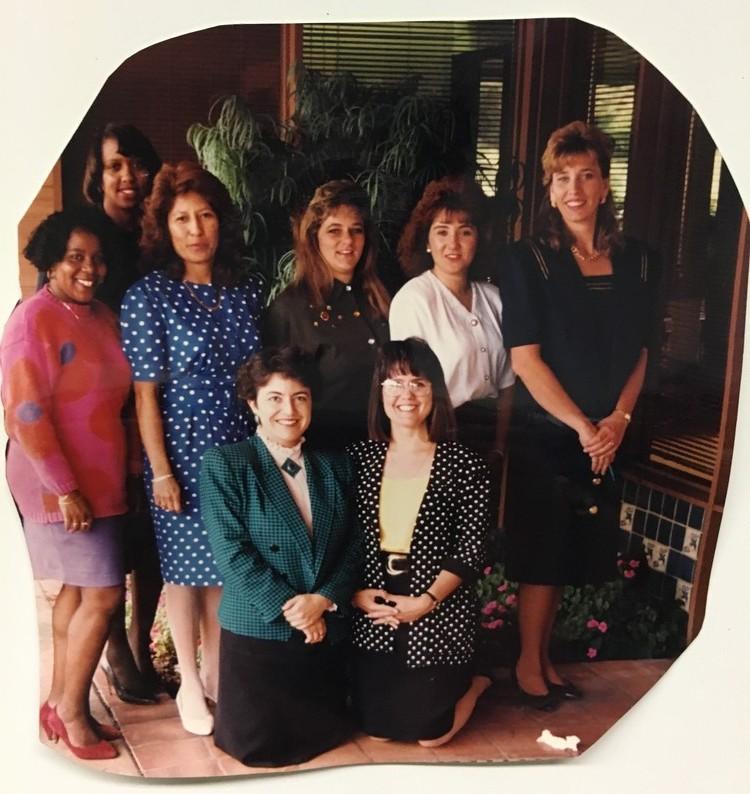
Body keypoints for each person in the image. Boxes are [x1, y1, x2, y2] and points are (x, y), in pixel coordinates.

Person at [498, 121, 659, 709]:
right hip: (548, 431)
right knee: (543, 554)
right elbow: (526, 359)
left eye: (586, 176)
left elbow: (643, 351)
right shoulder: (527, 259)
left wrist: (618, 420)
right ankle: (526, 665)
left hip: (607, 434)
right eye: (562, 178)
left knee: (573, 552)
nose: (574, 189)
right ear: (549, 188)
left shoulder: (638, 260)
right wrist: (584, 427)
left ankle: (544, 660)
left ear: (605, 185)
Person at [120, 161, 263, 735]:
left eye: (205, 216)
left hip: (240, 445)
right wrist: (160, 471)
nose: (196, 229)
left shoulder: (246, 289)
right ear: (165, 226)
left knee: (227, 566)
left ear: (221, 222)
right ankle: (188, 683)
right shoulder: (148, 296)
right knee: (184, 570)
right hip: (180, 448)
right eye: (182, 219)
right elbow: (145, 395)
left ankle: (218, 677)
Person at [1, 207, 131, 759]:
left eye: (97, 258)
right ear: (51, 260)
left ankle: (58, 700)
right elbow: (25, 411)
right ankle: (75, 715)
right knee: (104, 594)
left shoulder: (101, 315)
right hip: (60, 479)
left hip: (101, 476)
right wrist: (64, 488)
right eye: (76, 257)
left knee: (79, 591)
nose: (89, 268)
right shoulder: (33, 319)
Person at [199, 346, 362, 767]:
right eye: (274, 398)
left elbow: (354, 545)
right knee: (258, 750)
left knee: (327, 739)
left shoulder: (335, 465)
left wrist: (323, 600)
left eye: (300, 397)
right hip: (261, 629)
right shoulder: (226, 464)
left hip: (323, 629)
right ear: (253, 404)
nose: (288, 411)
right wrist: (295, 611)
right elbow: (232, 553)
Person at [347, 338, 492, 746]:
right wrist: (355, 594)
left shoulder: (464, 463)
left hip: (437, 605)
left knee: (432, 737)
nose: (406, 394)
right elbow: (339, 539)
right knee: (377, 733)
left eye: (418, 383)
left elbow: (472, 548)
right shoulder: (359, 458)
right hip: (374, 605)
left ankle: (476, 683)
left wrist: (426, 601)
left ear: (435, 392)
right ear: (379, 393)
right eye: (394, 383)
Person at [82, 123, 165, 704]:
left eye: (137, 164)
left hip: (155, 405)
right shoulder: (87, 239)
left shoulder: (157, 241)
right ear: (99, 175)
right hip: (104, 411)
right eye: (115, 166)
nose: (128, 177)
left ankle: (141, 646)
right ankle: (116, 653)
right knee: (110, 535)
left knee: (152, 536)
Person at [391, 176, 515, 520]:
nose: (453, 243)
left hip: (491, 440)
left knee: (487, 540)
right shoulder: (414, 299)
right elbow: (408, 390)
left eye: (465, 231)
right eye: (442, 231)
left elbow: (507, 383)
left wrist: (499, 447)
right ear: (426, 240)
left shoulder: (495, 299)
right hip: (439, 438)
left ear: (479, 238)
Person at [264, 179, 390, 449]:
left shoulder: (381, 297)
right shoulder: (290, 309)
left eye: (356, 230)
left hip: (385, 448)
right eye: (334, 230)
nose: (348, 241)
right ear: (314, 237)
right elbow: (275, 399)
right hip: (325, 454)